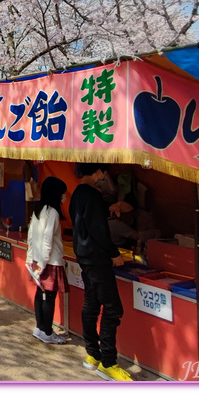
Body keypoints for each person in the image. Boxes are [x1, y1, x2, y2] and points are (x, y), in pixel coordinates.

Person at [70, 163, 131, 381]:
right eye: (104, 173)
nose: (104, 177)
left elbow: (88, 221)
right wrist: (114, 253)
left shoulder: (77, 193)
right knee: (113, 308)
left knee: (92, 304)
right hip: (97, 259)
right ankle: (108, 362)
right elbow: (98, 229)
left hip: (84, 257)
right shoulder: (92, 195)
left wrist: (110, 208)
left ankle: (92, 355)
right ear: (98, 172)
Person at [26, 176, 69, 344]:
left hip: (39, 259)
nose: (63, 197)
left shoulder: (38, 210)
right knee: (49, 297)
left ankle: (40, 327)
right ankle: (47, 331)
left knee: (40, 294)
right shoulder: (53, 213)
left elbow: (31, 235)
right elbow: (47, 239)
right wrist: (43, 264)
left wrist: (32, 258)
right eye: (62, 193)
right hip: (50, 262)